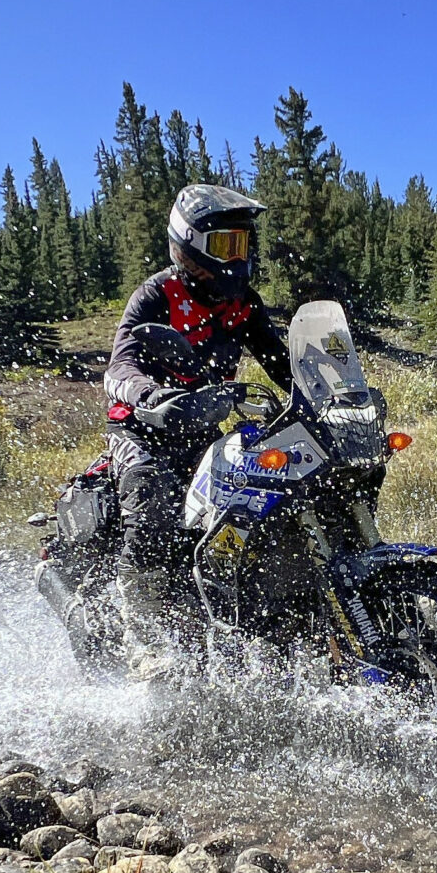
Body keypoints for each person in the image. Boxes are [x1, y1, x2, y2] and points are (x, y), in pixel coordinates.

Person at [103, 184, 293, 677]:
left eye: (244, 245)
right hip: (143, 431)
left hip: (204, 434)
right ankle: (140, 637)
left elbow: (280, 362)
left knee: (266, 495)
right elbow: (119, 367)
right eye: (228, 245)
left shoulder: (242, 305)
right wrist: (150, 396)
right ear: (190, 243)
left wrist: (324, 396)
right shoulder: (156, 295)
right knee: (151, 498)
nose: (239, 257)